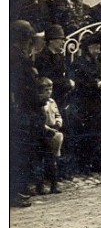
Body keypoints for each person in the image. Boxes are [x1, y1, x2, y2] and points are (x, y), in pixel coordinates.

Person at [65, 31, 101, 176]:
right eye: (95, 48)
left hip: (98, 102)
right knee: (88, 132)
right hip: (86, 103)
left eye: (98, 48)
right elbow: (78, 82)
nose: (97, 51)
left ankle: (99, 161)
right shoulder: (78, 63)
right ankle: (86, 162)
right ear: (87, 48)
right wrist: (95, 84)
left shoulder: (95, 62)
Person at [11, 20, 40, 207]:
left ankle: (19, 189)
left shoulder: (19, 55)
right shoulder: (15, 58)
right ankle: (14, 193)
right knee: (17, 151)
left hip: (21, 109)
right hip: (19, 111)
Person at [34, 77, 64, 195]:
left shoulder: (52, 102)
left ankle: (54, 185)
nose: (49, 92)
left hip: (53, 133)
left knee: (53, 160)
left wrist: (58, 122)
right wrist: (47, 129)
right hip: (42, 134)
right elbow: (38, 121)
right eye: (46, 90)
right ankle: (40, 186)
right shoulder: (39, 104)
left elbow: (57, 114)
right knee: (40, 160)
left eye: (50, 89)